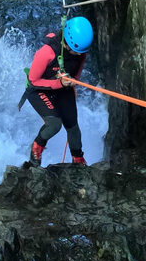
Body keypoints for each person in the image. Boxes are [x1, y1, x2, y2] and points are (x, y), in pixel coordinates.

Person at [25, 16, 94, 167]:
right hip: (39, 89)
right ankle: (37, 147)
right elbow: (33, 80)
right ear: (68, 43)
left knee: (73, 126)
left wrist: (71, 83)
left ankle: (78, 159)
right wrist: (60, 82)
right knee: (54, 124)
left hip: (63, 87)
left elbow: (76, 73)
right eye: (76, 51)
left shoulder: (80, 52)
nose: (79, 54)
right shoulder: (47, 53)